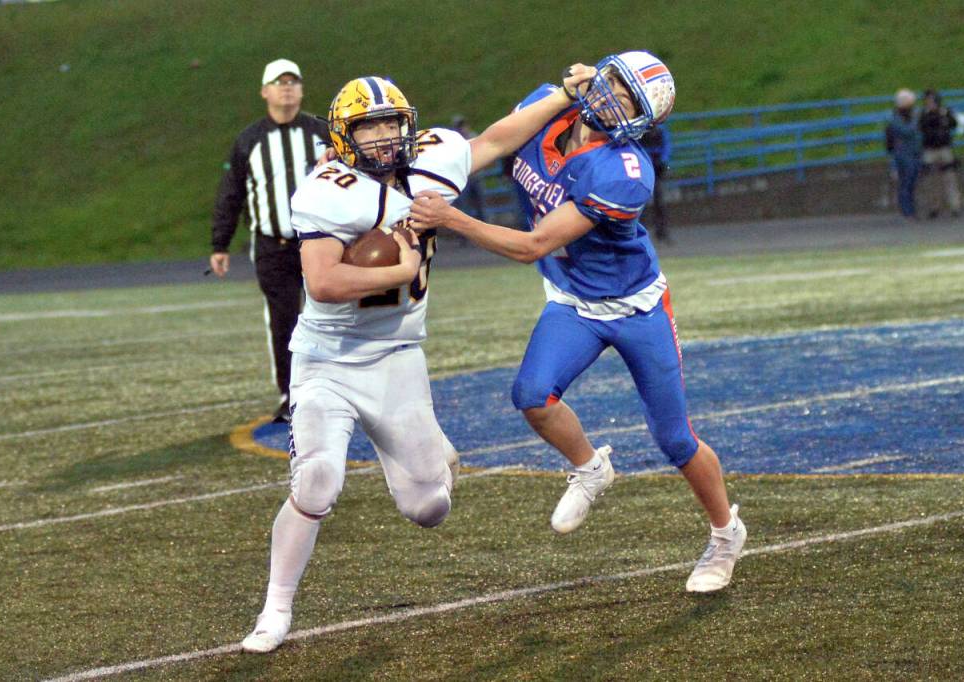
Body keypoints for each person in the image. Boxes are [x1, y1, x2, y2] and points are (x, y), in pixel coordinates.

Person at [241, 66, 598, 654]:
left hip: (398, 354)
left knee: (428, 507)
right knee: (318, 481)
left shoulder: (434, 158)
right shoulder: (326, 188)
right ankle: (275, 609)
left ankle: (431, 454)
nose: (382, 138)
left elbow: (497, 138)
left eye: (390, 125)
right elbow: (325, 283)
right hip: (328, 358)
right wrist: (399, 269)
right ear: (342, 137)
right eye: (368, 128)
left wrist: (563, 93)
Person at [410, 51, 747, 594]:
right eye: (612, 80)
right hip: (572, 300)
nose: (611, 95)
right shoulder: (549, 106)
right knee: (532, 395)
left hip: (633, 307)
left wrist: (450, 218)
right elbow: (486, 146)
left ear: (639, 118)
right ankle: (591, 467)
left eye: (627, 97)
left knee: (674, 439)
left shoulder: (623, 169)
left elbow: (534, 244)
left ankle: (726, 535)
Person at [210, 58, 331, 422]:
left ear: (302, 89)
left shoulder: (322, 133)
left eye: (293, 81)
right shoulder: (249, 140)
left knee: (332, 315)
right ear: (265, 91)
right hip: (272, 245)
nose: (287, 87)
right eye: (279, 82)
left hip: (322, 242)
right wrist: (220, 243)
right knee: (284, 321)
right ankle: (290, 393)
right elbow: (231, 194)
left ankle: (336, 388)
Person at [919, 89, 962, 218]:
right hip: (929, 149)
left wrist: (945, 116)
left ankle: (955, 206)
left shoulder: (945, 112)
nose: (930, 103)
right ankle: (934, 207)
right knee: (930, 180)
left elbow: (954, 124)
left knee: (949, 178)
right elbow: (922, 128)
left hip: (944, 148)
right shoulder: (924, 115)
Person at [884, 88, 922, 220]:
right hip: (903, 155)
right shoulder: (896, 119)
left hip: (914, 153)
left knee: (912, 183)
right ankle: (907, 211)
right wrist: (916, 121)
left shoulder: (911, 116)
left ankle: (911, 209)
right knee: (905, 183)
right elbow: (907, 131)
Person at [639, 122, 672, 242]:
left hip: (655, 167)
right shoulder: (641, 128)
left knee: (659, 202)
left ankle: (661, 232)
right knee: (641, 204)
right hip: (644, 167)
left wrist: (663, 161)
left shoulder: (660, 130)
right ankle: (640, 234)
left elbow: (666, 146)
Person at [451, 115, 487, 221]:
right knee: (464, 207)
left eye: (462, 125)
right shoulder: (454, 141)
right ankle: (466, 232)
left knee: (481, 204)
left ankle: (484, 226)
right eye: (459, 126)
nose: (462, 128)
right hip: (462, 179)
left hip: (475, 176)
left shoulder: (473, 136)